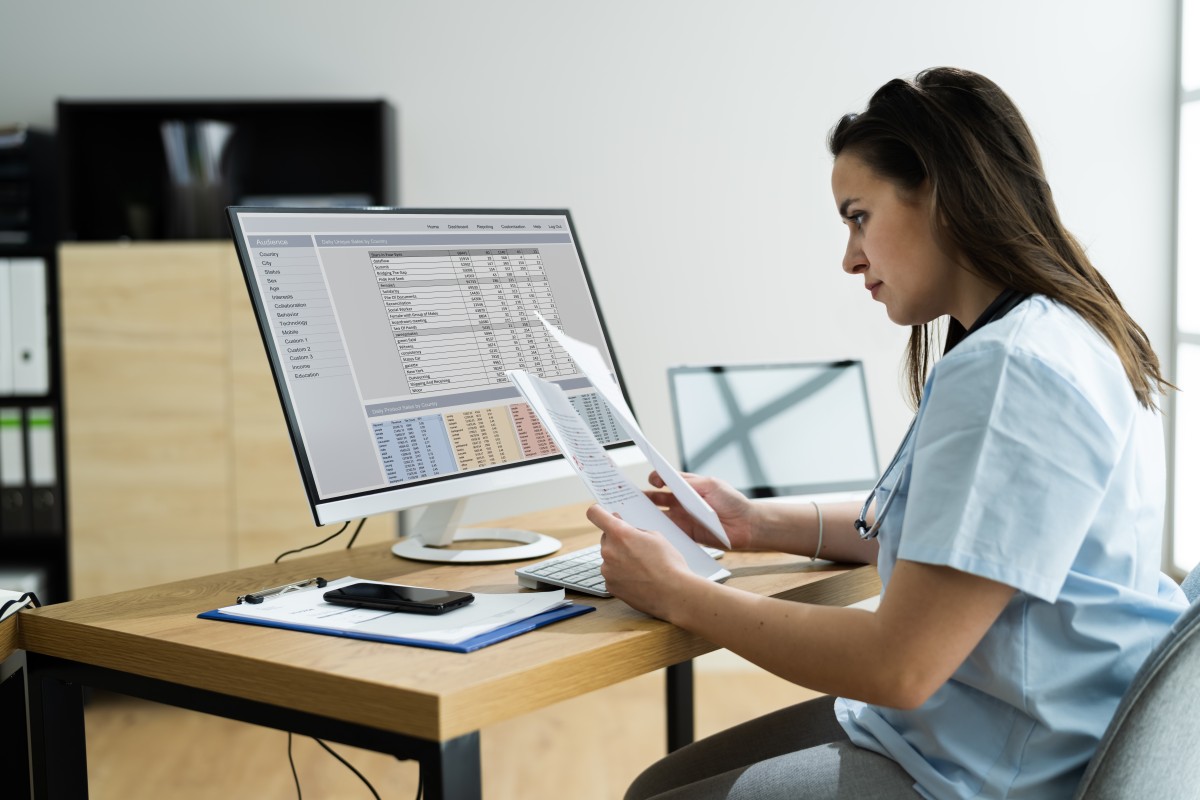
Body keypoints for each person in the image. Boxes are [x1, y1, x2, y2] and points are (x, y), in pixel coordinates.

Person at [587, 66, 1190, 800]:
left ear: (936, 192)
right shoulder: (1058, 332)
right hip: (1027, 724)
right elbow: (960, 542)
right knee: (663, 780)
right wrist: (754, 522)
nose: (849, 257)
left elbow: (900, 665)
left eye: (858, 216)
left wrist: (679, 593)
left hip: (998, 769)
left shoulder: (1010, 370)